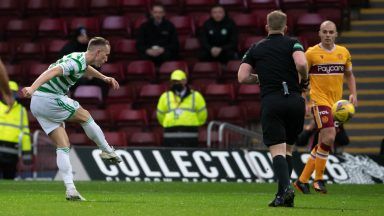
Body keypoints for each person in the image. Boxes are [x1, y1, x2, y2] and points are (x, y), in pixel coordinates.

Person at [22, 37, 122, 201]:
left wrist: (104, 78)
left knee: (63, 145)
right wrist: (32, 88)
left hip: (38, 104)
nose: (107, 58)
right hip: (49, 98)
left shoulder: (80, 59)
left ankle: (71, 189)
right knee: (85, 116)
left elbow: (85, 69)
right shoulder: (76, 62)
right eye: (105, 55)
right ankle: (106, 149)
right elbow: (52, 71)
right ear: (98, 52)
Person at [238, 10, 308, 207]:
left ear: (267, 27)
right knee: (288, 150)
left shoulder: (256, 48)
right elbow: (302, 63)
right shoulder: (293, 42)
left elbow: (242, 77)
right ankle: (281, 196)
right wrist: (304, 79)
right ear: (286, 28)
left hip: (272, 101)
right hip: (295, 101)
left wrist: (261, 78)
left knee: (277, 150)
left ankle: (286, 189)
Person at [294, 20, 357, 194]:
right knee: (329, 136)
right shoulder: (311, 53)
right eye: (325, 32)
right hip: (318, 101)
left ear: (336, 34)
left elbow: (350, 75)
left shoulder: (343, 52)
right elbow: (301, 77)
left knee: (324, 141)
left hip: (336, 105)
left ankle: (302, 180)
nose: (328, 35)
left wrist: (353, 94)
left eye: (331, 32)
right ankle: (319, 179)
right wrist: (304, 99)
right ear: (320, 33)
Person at [156, 70, 207, 147]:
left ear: (185, 81)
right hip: (170, 134)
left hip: (190, 134)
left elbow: (202, 115)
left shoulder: (196, 96)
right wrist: (169, 122)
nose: (176, 83)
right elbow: (160, 115)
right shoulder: (165, 96)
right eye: (173, 81)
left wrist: (194, 123)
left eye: (178, 81)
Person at [60, 27, 109, 99]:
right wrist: (82, 74)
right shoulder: (68, 48)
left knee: (104, 82)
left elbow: (97, 62)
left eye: (86, 36)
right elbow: (64, 66)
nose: (85, 38)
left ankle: (102, 103)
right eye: (82, 36)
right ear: (77, 36)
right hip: (74, 76)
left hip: (90, 75)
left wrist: (92, 74)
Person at [0, 81, 32, 179]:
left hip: (12, 153)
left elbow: (25, 133)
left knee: (9, 183)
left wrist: (26, 154)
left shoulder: (21, 111)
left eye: (12, 93)